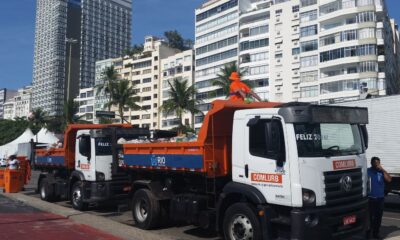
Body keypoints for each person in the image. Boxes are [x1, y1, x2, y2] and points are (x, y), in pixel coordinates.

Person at [367, 156, 392, 239]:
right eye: (375, 164)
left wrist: (382, 169)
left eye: (378, 163)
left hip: (380, 198)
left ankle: (376, 233)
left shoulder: (381, 172)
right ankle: (368, 234)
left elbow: (389, 180)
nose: (377, 165)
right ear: (371, 164)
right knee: (370, 218)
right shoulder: (368, 171)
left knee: (378, 218)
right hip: (370, 198)